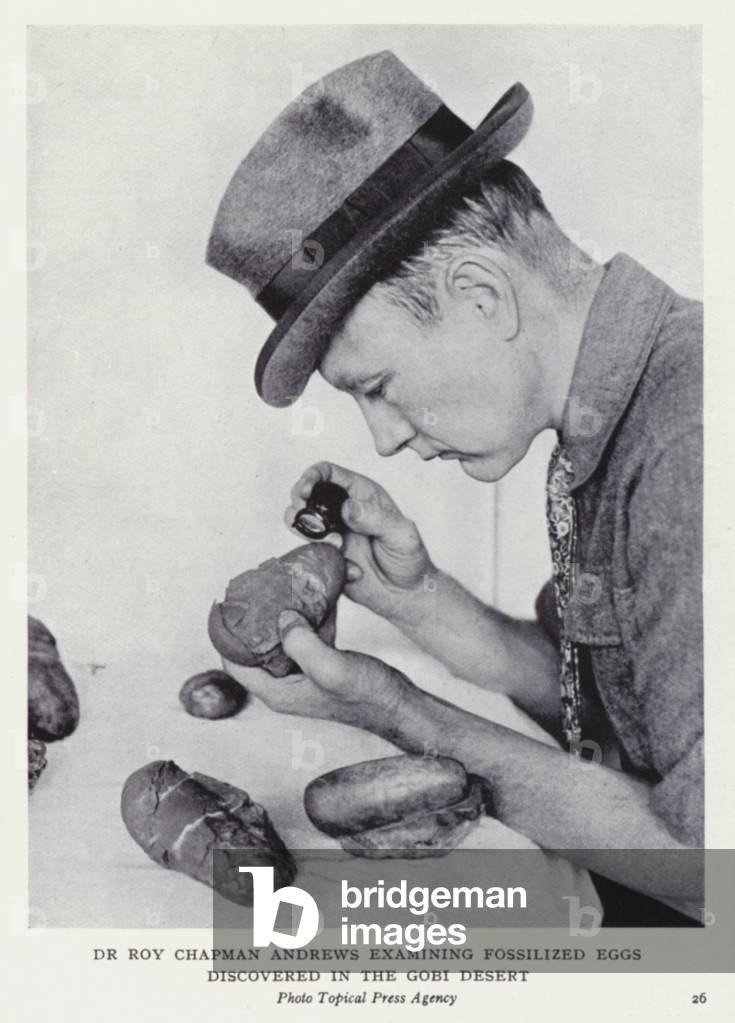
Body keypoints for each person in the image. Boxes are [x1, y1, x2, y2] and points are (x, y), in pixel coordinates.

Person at [206, 51, 703, 912]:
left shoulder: (687, 446)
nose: (385, 437)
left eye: (376, 386)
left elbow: (710, 865)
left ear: (480, 295)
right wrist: (418, 597)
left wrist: (397, 711)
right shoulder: (623, 404)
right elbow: (614, 718)